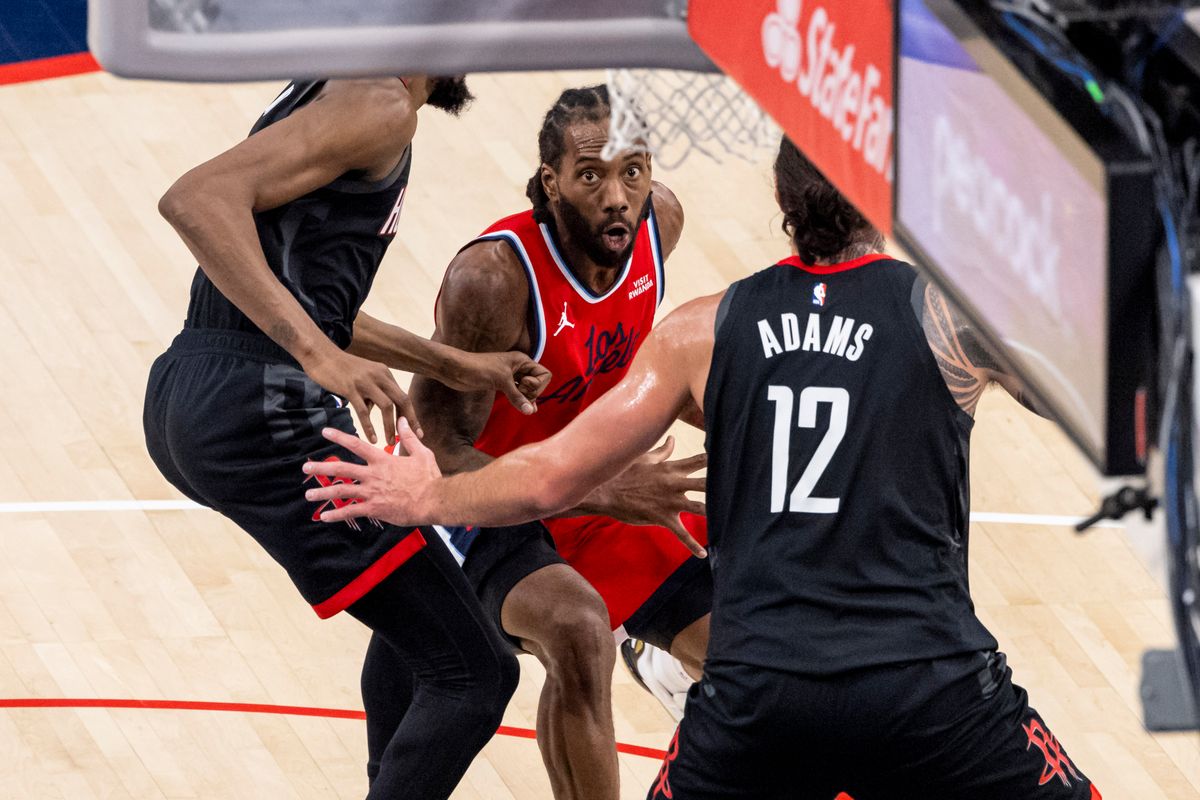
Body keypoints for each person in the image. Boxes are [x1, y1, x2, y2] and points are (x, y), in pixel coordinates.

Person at [305, 137, 1103, 800]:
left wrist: (431, 492)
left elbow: (548, 476)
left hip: (761, 689)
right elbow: (1097, 394)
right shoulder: (950, 317)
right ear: (886, 194)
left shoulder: (703, 329)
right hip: (931, 682)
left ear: (783, 206)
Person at [143, 76, 552, 800]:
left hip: (196, 388)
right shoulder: (379, 102)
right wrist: (316, 355)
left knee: (424, 625)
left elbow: (301, 295)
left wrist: (455, 363)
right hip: (258, 406)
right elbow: (194, 200)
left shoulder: (341, 91)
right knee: (479, 673)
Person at [346, 84, 710, 800]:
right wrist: (603, 488)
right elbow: (438, 445)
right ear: (552, 183)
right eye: (591, 175)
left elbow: (637, 373)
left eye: (631, 171)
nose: (616, 195)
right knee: (577, 628)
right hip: (475, 501)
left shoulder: (659, 224)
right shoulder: (494, 279)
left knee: (754, 653)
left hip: (584, 483)